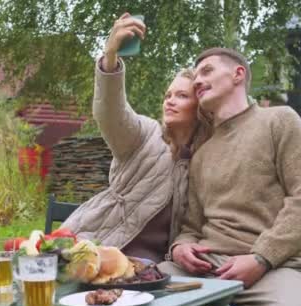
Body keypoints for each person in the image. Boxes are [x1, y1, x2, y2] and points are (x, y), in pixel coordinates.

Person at [159, 47, 301, 306]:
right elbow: (192, 226)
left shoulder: (279, 121)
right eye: (195, 76)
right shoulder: (202, 152)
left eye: (207, 71)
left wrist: (261, 258)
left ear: (238, 74)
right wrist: (179, 248)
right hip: (206, 269)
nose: (197, 80)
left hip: (275, 267)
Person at [61, 14, 211, 263]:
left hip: (155, 267)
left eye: (182, 96)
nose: (170, 100)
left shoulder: (207, 156)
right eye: (167, 95)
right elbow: (111, 113)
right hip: (95, 244)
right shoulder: (145, 134)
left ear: (200, 106)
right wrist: (110, 58)